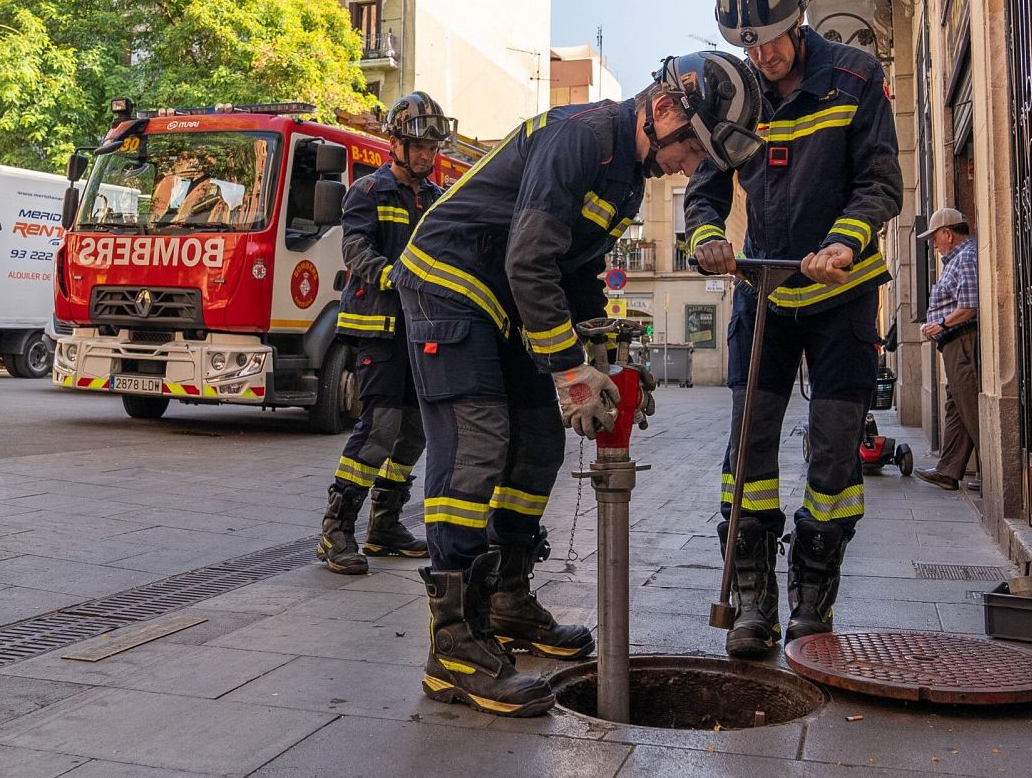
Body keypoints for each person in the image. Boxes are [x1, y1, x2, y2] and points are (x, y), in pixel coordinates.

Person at [390, 50, 758, 717]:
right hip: (450, 283)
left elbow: (575, 273)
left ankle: (506, 598)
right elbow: (531, 259)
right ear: (668, 108)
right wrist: (568, 370)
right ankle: (451, 646)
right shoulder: (581, 137)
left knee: (538, 446)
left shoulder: (624, 179)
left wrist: (605, 358)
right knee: (478, 446)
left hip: (506, 296)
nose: (691, 167)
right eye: (694, 150)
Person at [689, 0, 904, 655]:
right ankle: (754, 600)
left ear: (800, 15)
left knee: (836, 449)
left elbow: (880, 184)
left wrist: (844, 244)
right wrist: (709, 236)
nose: (762, 55)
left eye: (771, 38)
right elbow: (707, 189)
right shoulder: (735, 97)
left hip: (843, 293)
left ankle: (814, 596)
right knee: (747, 446)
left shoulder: (855, 76)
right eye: (746, 44)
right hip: (766, 291)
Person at [315, 92, 449, 574]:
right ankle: (336, 530)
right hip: (378, 327)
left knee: (414, 431)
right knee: (380, 428)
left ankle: (386, 523)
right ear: (394, 143)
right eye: (418, 147)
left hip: (421, 330)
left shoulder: (435, 200)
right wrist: (394, 276)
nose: (426, 156)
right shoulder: (368, 192)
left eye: (432, 148)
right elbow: (355, 250)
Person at [914, 208, 981, 491]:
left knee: (970, 407)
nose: (933, 245)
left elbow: (969, 304)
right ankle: (949, 471)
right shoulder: (958, 258)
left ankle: (995, 474)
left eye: (935, 238)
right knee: (956, 407)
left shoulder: (965, 256)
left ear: (948, 234)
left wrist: (940, 324)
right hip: (954, 342)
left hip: (962, 341)